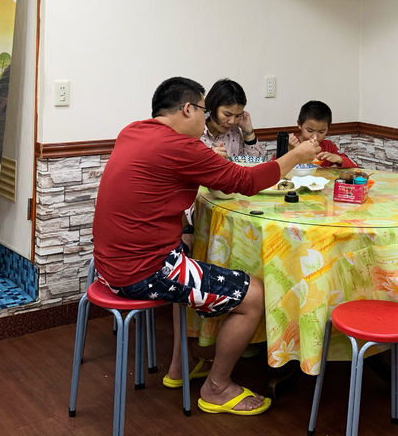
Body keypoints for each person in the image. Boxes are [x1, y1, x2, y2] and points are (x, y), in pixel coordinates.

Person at [92, 76, 319, 416]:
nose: (205, 115)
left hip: (107, 265)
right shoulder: (181, 147)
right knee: (254, 293)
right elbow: (245, 181)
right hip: (144, 271)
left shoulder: (134, 131)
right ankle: (217, 387)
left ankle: (181, 367)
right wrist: (296, 155)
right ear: (187, 109)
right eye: (202, 108)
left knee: (195, 257)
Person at [200, 78, 263, 160]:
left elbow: (254, 164)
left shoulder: (234, 131)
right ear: (213, 106)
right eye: (227, 114)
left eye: (238, 116)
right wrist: (208, 158)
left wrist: (248, 132)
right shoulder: (195, 130)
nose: (232, 122)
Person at [288, 100, 358, 168]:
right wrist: (290, 151)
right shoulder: (290, 144)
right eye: (310, 130)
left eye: (321, 132)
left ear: (328, 128)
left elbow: (355, 166)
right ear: (299, 124)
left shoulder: (328, 147)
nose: (315, 137)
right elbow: (277, 169)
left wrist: (338, 158)